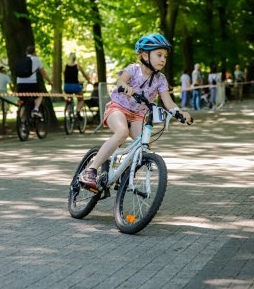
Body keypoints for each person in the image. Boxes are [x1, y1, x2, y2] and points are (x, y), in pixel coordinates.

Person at [79, 33, 192, 189]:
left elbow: (168, 102)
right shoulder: (133, 69)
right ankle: (89, 170)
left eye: (165, 56)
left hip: (138, 115)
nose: (163, 59)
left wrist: (180, 113)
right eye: (159, 55)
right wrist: (126, 87)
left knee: (146, 144)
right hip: (118, 108)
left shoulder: (160, 79)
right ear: (145, 55)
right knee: (122, 132)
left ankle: (124, 173)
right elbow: (121, 80)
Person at [17, 45, 53, 118]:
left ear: (26, 52)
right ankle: (36, 110)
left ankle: (21, 123)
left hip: (20, 84)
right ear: (34, 52)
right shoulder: (36, 59)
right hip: (31, 84)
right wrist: (50, 81)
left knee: (23, 101)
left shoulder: (21, 60)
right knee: (39, 95)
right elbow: (43, 73)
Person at [63, 52, 90, 119]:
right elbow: (84, 75)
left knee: (69, 98)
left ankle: (69, 109)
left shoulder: (65, 66)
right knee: (81, 100)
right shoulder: (77, 66)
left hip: (67, 86)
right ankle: (78, 111)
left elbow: (64, 75)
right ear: (75, 58)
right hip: (75, 86)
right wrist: (89, 81)